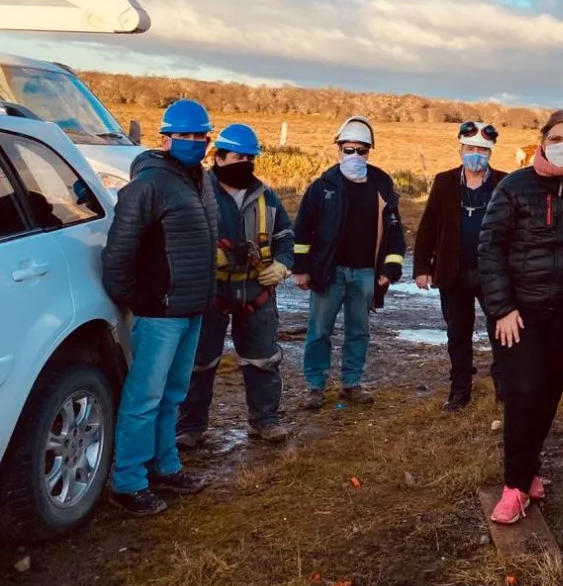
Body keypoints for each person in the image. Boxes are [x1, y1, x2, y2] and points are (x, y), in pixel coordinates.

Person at [479, 110, 563, 525]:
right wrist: (502, 308)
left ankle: (530, 470)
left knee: (548, 396)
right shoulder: (514, 187)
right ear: (543, 141)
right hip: (518, 314)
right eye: (557, 137)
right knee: (523, 395)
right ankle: (515, 487)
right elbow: (490, 248)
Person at [102, 98, 218, 516]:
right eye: (184, 136)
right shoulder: (148, 184)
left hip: (191, 307)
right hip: (160, 311)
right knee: (144, 397)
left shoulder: (199, 180)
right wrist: (136, 298)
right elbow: (119, 252)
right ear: (165, 138)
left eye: (200, 136)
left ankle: (164, 465)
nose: (193, 142)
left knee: (173, 394)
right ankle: (128, 482)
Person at [176, 123, 294, 447]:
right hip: (210, 294)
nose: (245, 163)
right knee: (199, 363)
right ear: (218, 157)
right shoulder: (196, 191)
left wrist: (284, 264)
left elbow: (285, 233)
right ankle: (190, 427)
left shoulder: (265, 195)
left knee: (263, 360)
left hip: (256, 294)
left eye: (249, 157)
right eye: (238, 157)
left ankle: (265, 420)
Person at [293, 116, 406, 410]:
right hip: (329, 273)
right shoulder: (323, 187)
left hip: (366, 274)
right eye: (349, 149)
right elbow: (303, 230)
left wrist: (390, 270)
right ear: (338, 150)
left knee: (359, 332)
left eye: (361, 150)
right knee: (319, 332)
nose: (354, 155)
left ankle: (351, 383)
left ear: (370, 151)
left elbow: (395, 231)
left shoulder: (382, 185)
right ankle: (315, 386)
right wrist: (302, 269)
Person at [414, 120, 507, 411]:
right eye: (470, 148)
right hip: (452, 272)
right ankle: (460, 389)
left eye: (482, 149)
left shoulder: (505, 183)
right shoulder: (444, 182)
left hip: (492, 274)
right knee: (458, 333)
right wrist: (421, 268)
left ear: (491, 152)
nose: (475, 154)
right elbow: (428, 226)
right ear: (460, 149)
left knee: (501, 333)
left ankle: (504, 388)